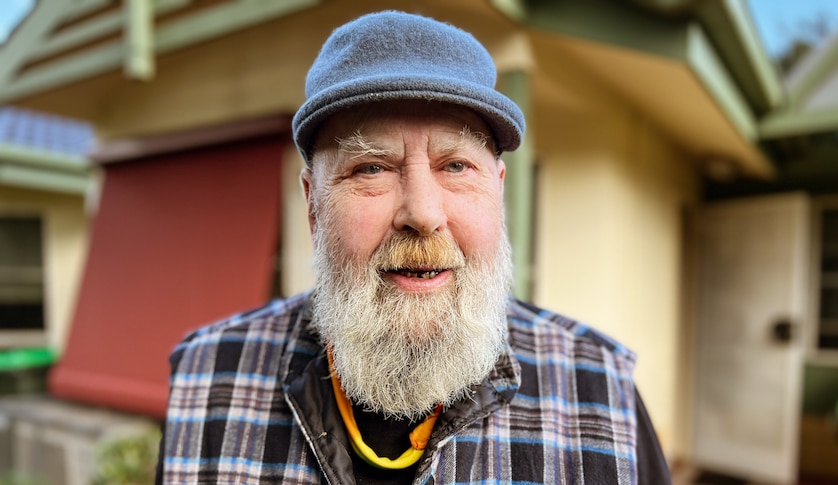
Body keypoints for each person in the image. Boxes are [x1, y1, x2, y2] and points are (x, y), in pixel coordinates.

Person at [158, 10, 671, 485]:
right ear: (314, 206)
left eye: (455, 166)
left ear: (498, 191)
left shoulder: (603, 393)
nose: (423, 215)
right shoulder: (206, 379)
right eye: (372, 168)